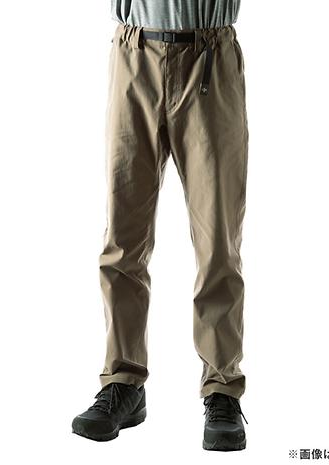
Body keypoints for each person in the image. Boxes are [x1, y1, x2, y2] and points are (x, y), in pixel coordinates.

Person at [72, 0, 249, 451]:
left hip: (208, 56)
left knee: (218, 240)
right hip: (135, 53)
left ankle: (222, 387)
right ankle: (123, 380)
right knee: (123, 237)